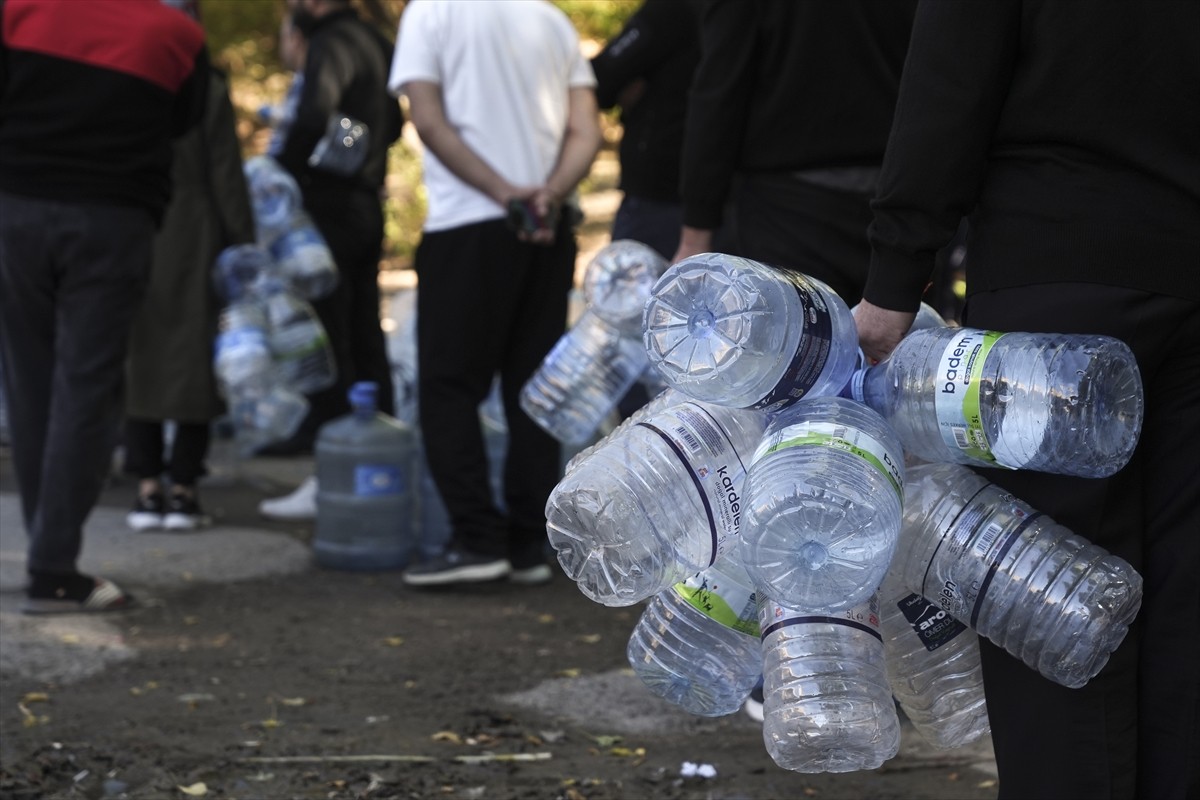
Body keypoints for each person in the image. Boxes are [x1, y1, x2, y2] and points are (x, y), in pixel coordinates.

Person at [854, 3, 1199, 798]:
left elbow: (951, 77)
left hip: (1060, 276)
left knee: (1048, 598)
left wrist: (894, 277)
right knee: (1186, 594)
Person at [0, 0, 208, 613]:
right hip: (113, 218)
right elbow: (184, 122)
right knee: (87, 388)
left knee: (29, 382)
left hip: (16, 207)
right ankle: (53, 565)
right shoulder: (176, 34)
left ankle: (48, 554)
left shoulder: (20, 11)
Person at [388, 0, 602, 586]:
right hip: (546, 230)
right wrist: (548, 194)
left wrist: (505, 192)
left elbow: (428, 121)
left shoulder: (430, 14)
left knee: (449, 387)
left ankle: (476, 540)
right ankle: (528, 544)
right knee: (531, 387)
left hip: (468, 229)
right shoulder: (553, 21)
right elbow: (587, 130)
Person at [258, 0, 403, 519]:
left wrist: (279, 173)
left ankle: (333, 471)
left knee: (330, 339)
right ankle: (382, 453)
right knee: (364, 335)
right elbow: (393, 124)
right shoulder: (376, 41)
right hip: (366, 201)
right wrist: (357, 152)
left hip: (328, 210)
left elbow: (315, 116)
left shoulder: (330, 42)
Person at [674, 0, 917, 308]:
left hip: (790, 213)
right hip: (898, 201)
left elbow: (719, 93)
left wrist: (695, 235)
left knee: (793, 346)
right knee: (898, 352)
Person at [123, 1, 257, 533]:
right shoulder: (209, 92)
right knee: (196, 361)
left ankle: (146, 486)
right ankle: (184, 487)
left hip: (138, 224)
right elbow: (227, 176)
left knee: (141, 357)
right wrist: (244, 245)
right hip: (195, 231)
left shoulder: (132, 83)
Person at [591, 0, 701, 263]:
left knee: (639, 297)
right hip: (726, 188)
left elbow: (601, 77)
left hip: (659, 191)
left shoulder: (669, 10)